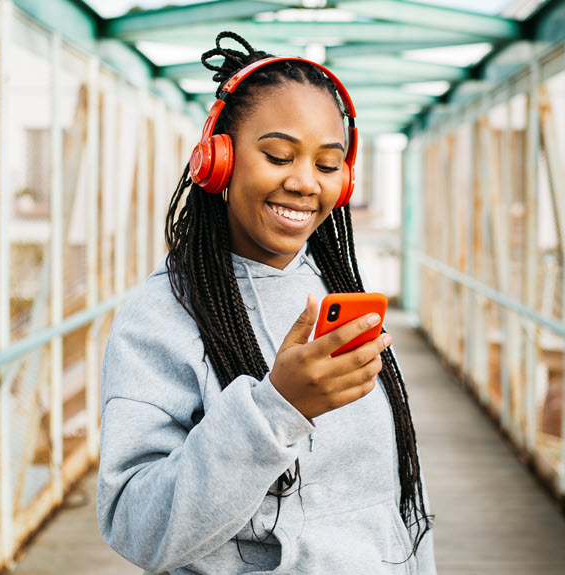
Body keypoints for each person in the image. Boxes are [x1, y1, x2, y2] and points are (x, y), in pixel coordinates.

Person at [96, 31, 436, 575]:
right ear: (218, 160)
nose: (304, 182)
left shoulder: (335, 291)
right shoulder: (159, 316)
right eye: (278, 155)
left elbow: (389, 510)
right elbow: (137, 527)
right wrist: (278, 409)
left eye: (328, 165)